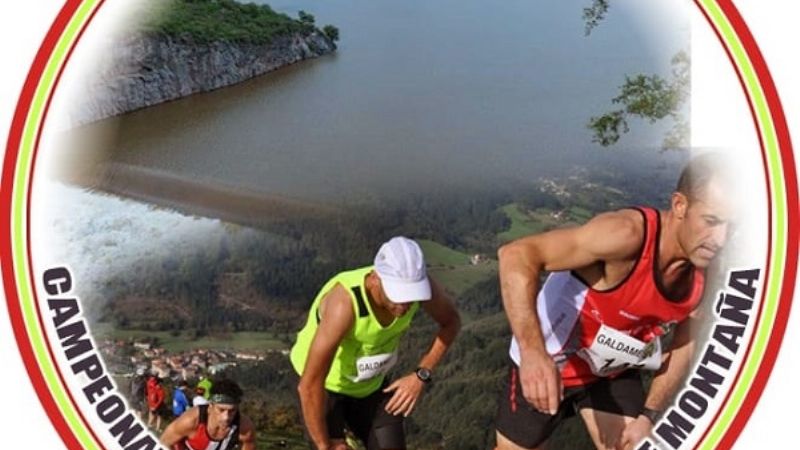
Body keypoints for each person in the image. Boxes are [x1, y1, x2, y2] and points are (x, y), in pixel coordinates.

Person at [494, 154, 733, 450]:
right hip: (548, 362)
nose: (720, 239)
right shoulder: (626, 235)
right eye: (711, 221)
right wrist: (532, 354)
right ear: (680, 205)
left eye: (731, 226)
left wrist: (649, 414)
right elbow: (515, 255)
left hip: (613, 369)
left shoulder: (707, 271)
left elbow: (685, 342)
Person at [291, 236, 461, 450]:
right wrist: (325, 446)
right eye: (398, 294)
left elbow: (451, 322)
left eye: (411, 295)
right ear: (375, 278)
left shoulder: (423, 289)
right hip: (325, 388)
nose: (405, 304)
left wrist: (421, 375)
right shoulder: (344, 304)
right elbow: (309, 385)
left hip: (371, 387)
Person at [160, 379, 256, 450]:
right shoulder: (191, 420)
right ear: (210, 406)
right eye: (221, 410)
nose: (226, 417)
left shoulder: (244, 428)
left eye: (232, 411)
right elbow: (164, 442)